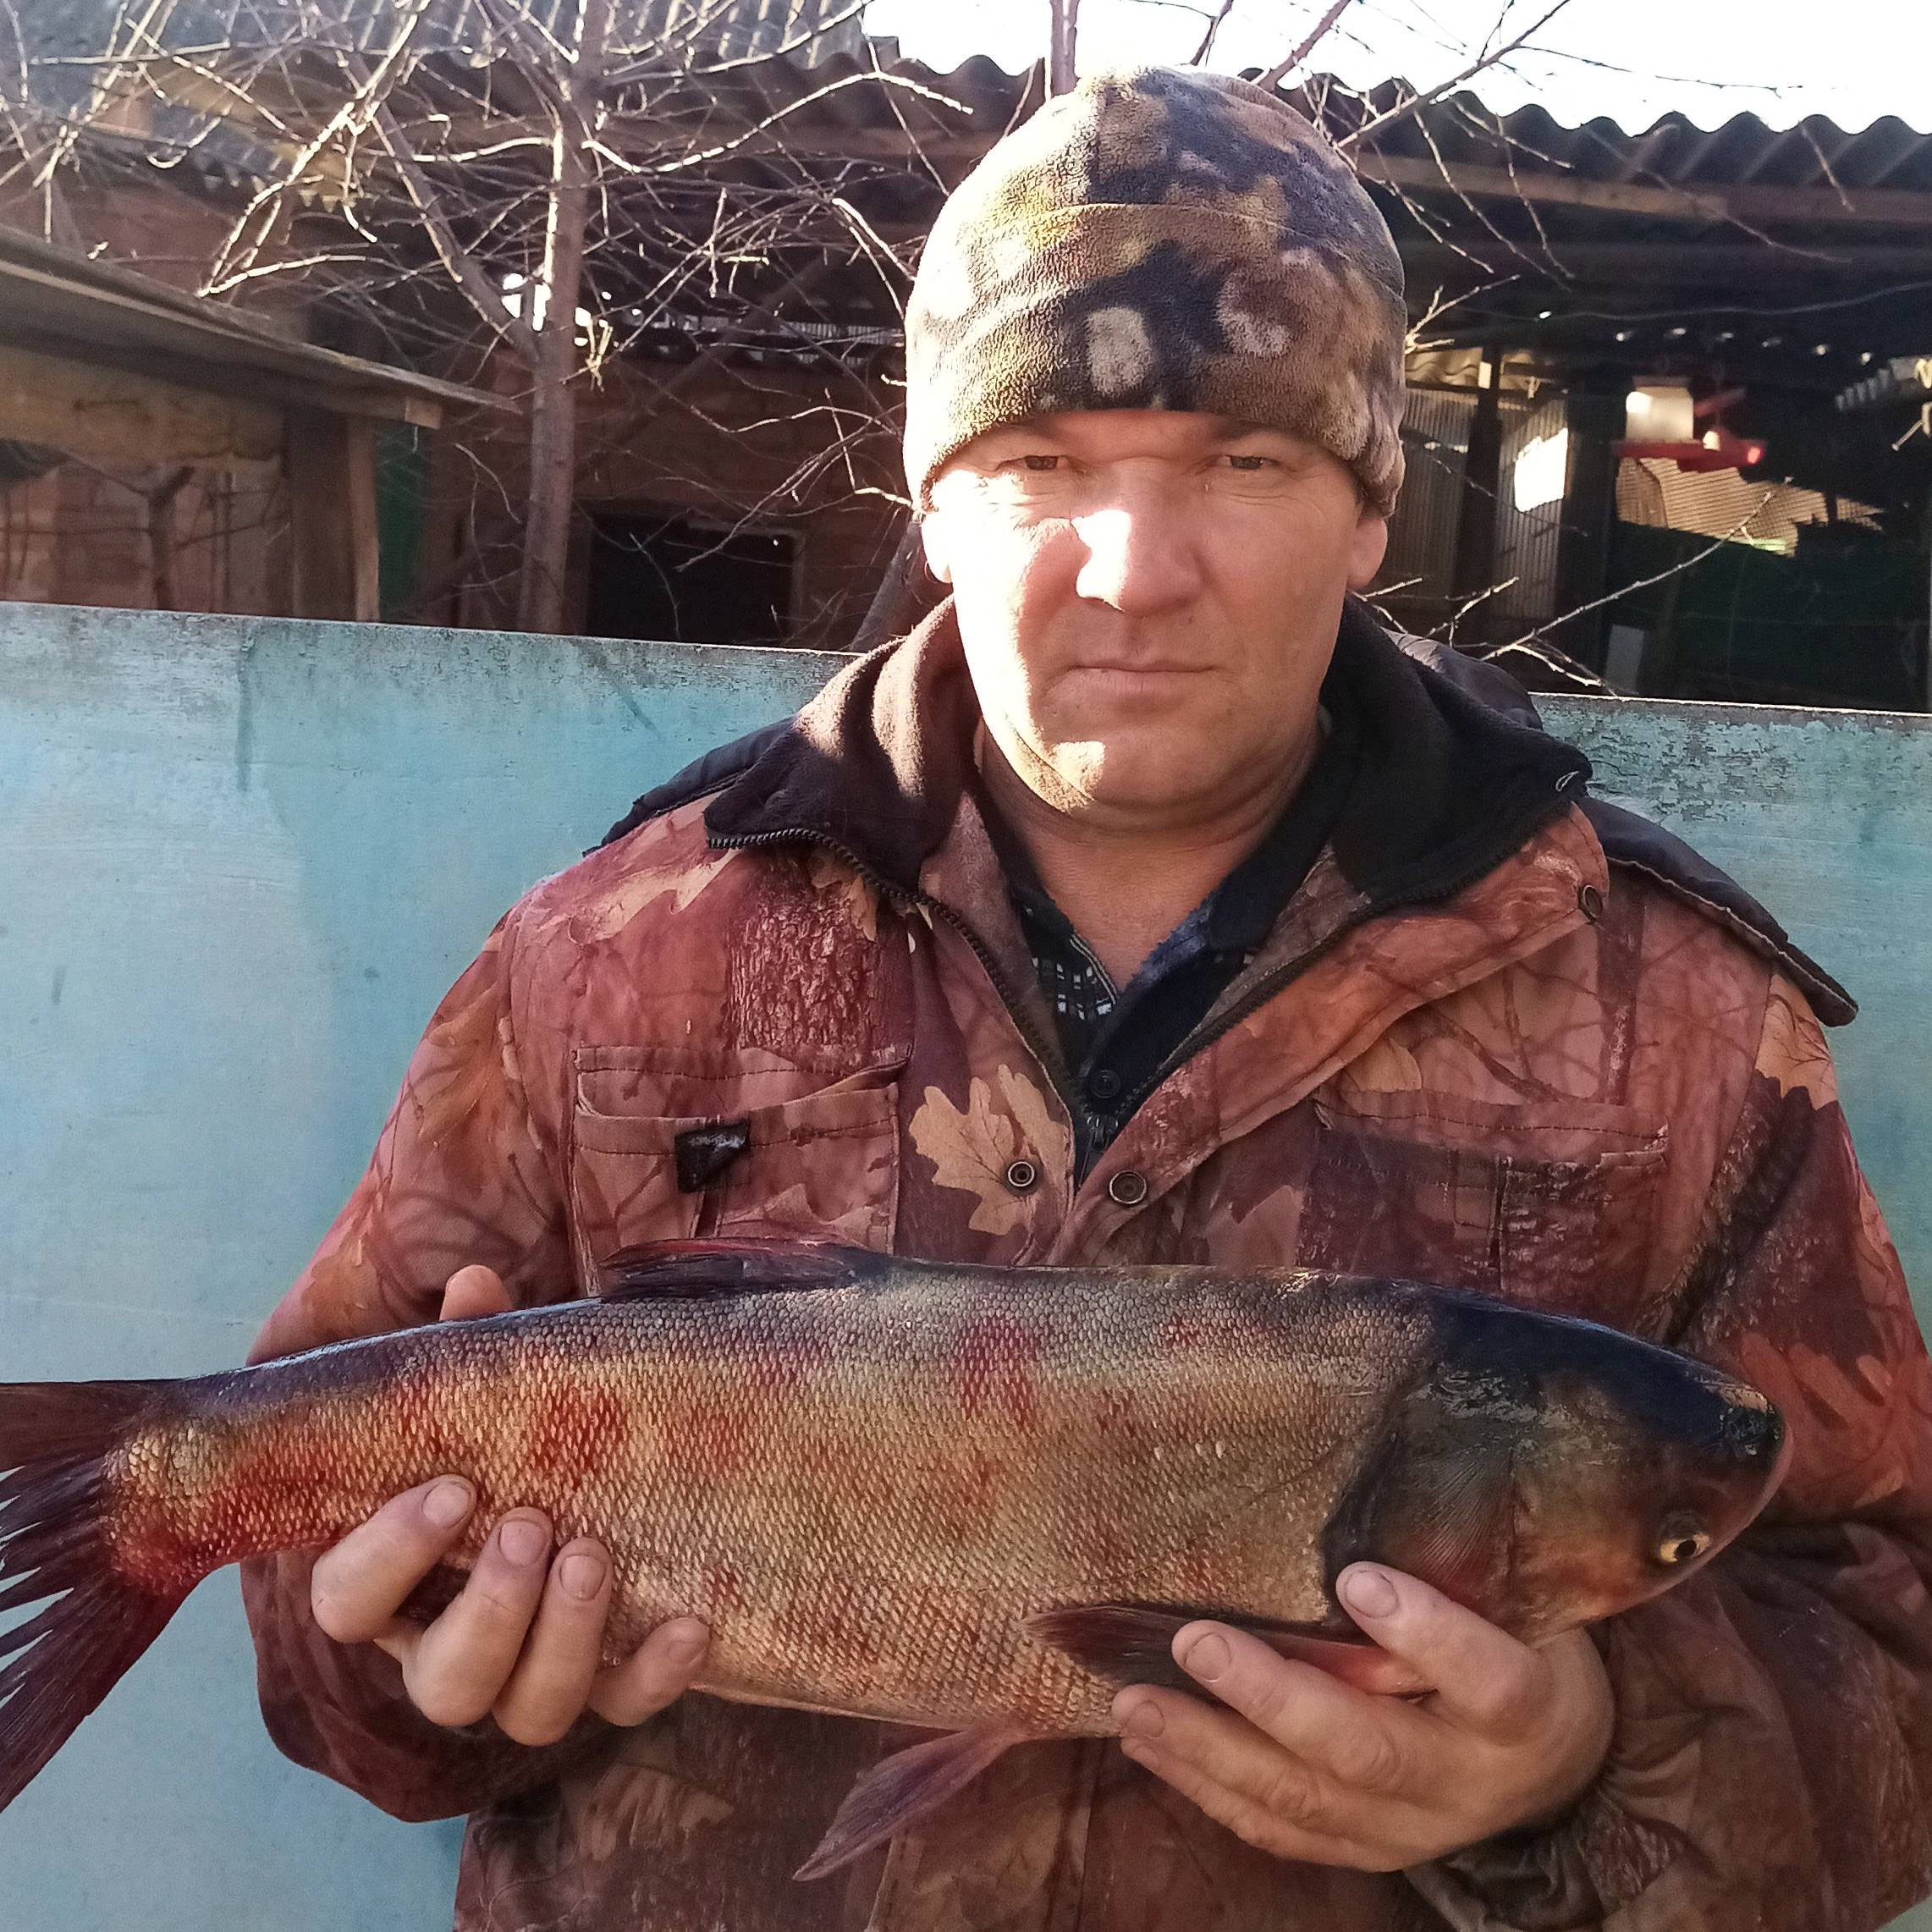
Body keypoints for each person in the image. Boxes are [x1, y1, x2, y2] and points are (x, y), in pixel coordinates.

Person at [243, 65, 1932, 1932]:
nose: (1135, 571)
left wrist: (1576, 1759)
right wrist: (421, 1666)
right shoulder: (609, 952)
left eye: (1244, 463)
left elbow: (1888, 1660)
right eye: (1042, 463)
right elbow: (306, 1609)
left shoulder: (1671, 1013)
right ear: (934, 494)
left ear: (1369, 511)